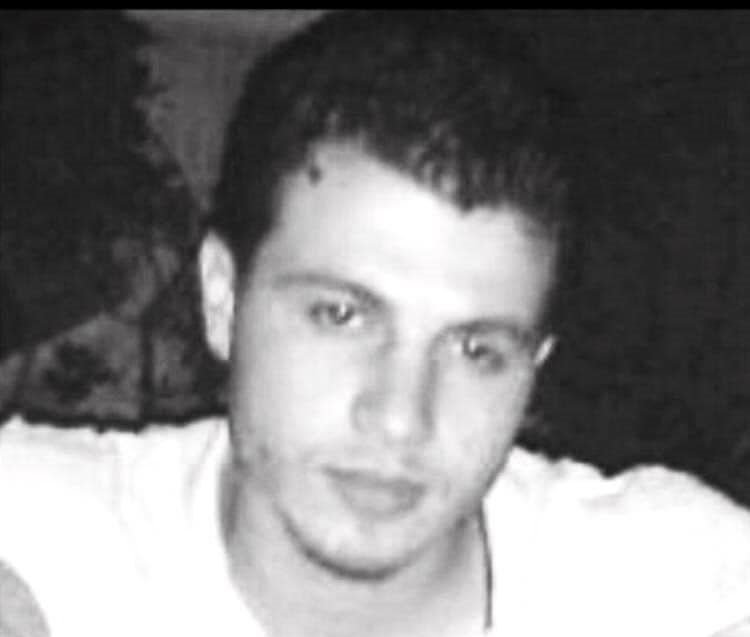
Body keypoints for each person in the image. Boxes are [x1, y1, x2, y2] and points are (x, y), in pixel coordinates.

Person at [1, 10, 749, 637]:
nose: (399, 417)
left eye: (476, 349)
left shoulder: (669, 585)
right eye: (342, 315)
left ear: (535, 367)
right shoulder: (47, 537)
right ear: (223, 297)